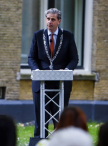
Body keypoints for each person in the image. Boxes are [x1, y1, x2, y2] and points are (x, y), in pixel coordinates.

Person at [28, 8, 79, 138]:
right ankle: (41, 142)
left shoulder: (68, 36)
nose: (49, 22)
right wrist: (37, 71)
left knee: (60, 121)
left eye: (53, 19)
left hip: (60, 85)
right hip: (41, 84)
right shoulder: (38, 35)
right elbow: (31, 58)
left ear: (59, 21)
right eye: (48, 19)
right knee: (40, 122)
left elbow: (74, 58)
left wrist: (66, 71)